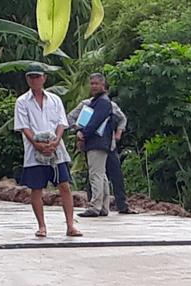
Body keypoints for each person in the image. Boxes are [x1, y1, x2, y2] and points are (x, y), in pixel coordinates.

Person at [13, 64, 82, 239]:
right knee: (36, 188)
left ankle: (70, 225)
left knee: (64, 186)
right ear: (27, 79)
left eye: (37, 77)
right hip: (34, 150)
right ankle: (42, 226)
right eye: (31, 77)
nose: (34, 80)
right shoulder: (22, 101)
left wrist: (56, 141)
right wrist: (37, 144)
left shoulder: (54, 100)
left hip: (56, 149)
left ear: (44, 78)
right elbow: (23, 126)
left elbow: (61, 123)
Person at [70, 94, 135, 214]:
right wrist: (78, 130)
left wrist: (119, 132)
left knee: (112, 175)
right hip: (92, 142)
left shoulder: (111, 106)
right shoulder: (86, 104)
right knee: (96, 175)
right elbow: (71, 118)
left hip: (109, 144)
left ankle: (115, 205)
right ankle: (98, 204)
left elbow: (122, 119)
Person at [75, 73, 114, 217]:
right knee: (101, 175)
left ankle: (95, 206)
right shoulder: (98, 101)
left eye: (96, 83)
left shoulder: (102, 102)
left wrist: (83, 133)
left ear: (103, 85)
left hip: (97, 142)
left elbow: (95, 121)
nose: (93, 86)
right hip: (98, 142)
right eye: (91, 83)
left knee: (95, 174)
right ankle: (103, 206)